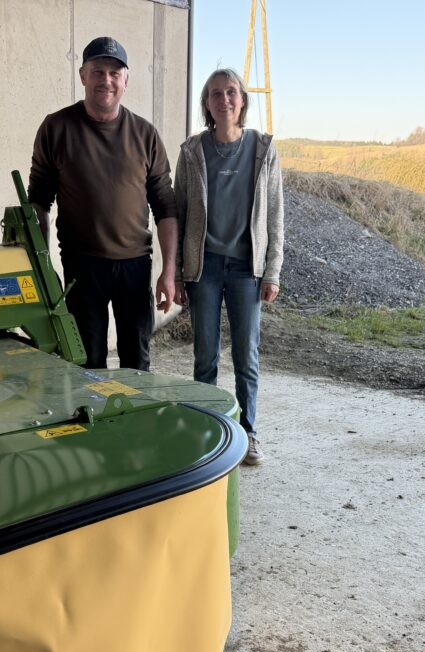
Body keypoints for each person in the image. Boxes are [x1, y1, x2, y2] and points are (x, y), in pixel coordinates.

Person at [27, 36, 178, 371]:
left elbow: (166, 207)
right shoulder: (56, 128)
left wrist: (169, 272)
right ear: (83, 75)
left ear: (126, 80)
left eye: (114, 73)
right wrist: (42, 268)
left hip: (135, 266)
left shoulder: (146, 135)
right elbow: (38, 203)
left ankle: (134, 408)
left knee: (136, 363)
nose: (106, 80)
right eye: (97, 71)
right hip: (82, 267)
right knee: (86, 363)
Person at [173, 69, 283, 466]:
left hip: (245, 269)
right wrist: (179, 272)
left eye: (231, 92)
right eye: (216, 94)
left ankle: (248, 432)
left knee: (246, 357)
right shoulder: (192, 151)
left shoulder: (262, 149)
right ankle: (207, 430)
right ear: (207, 103)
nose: (224, 100)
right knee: (205, 355)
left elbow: (274, 214)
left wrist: (272, 270)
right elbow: (179, 213)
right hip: (204, 267)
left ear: (242, 99)